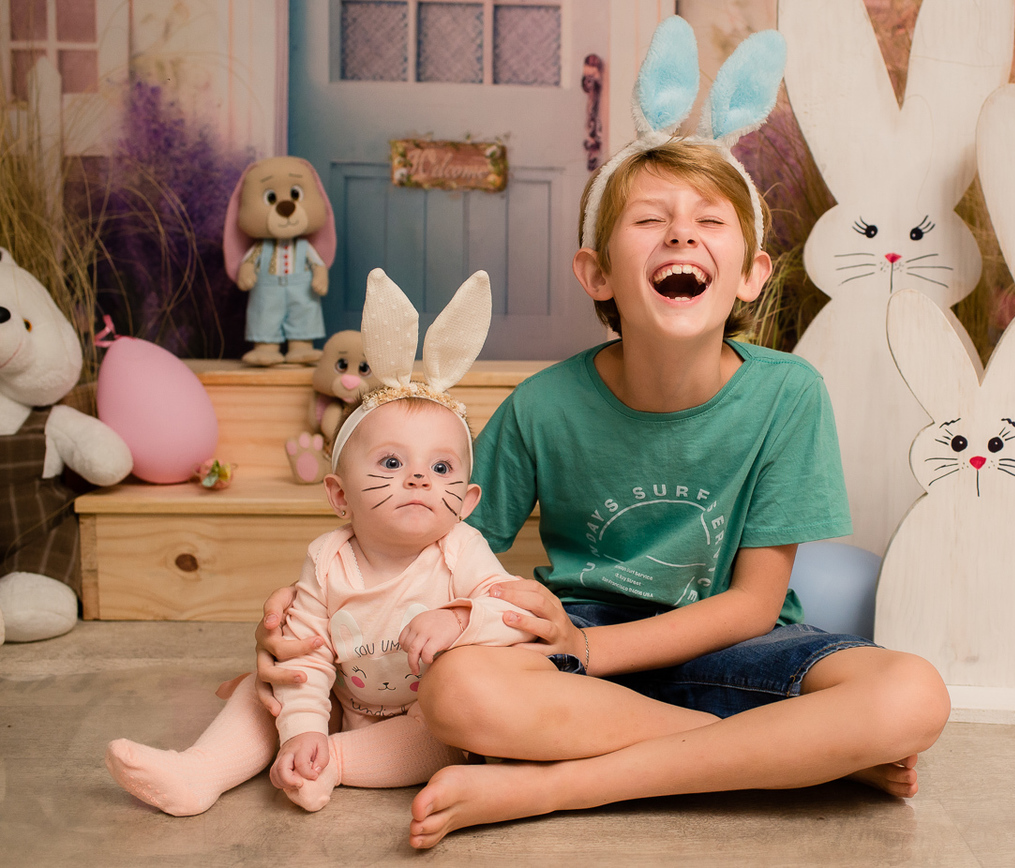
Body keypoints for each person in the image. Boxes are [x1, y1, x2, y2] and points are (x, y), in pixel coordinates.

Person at [255, 18, 950, 849]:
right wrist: (314, 616)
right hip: (565, 650)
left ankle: (558, 787)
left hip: (731, 644)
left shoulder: (787, 394)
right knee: (457, 693)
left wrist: (593, 652)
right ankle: (788, 755)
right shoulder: (543, 406)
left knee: (914, 694)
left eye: (710, 221)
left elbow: (754, 604)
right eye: (650, 220)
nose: (681, 234)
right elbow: (422, 549)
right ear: (597, 273)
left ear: (750, 274)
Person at [106, 326, 534, 816]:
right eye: (391, 462)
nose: (418, 477)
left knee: (446, 731)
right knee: (264, 689)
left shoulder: (462, 549)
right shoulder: (326, 559)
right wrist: (302, 729)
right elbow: (305, 653)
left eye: (441, 468)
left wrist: (460, 619)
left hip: (426, 717)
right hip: (342, 703)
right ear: (339, 495)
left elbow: (515, 614)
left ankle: (331, 764)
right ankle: (201, 771)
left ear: (467, 502)